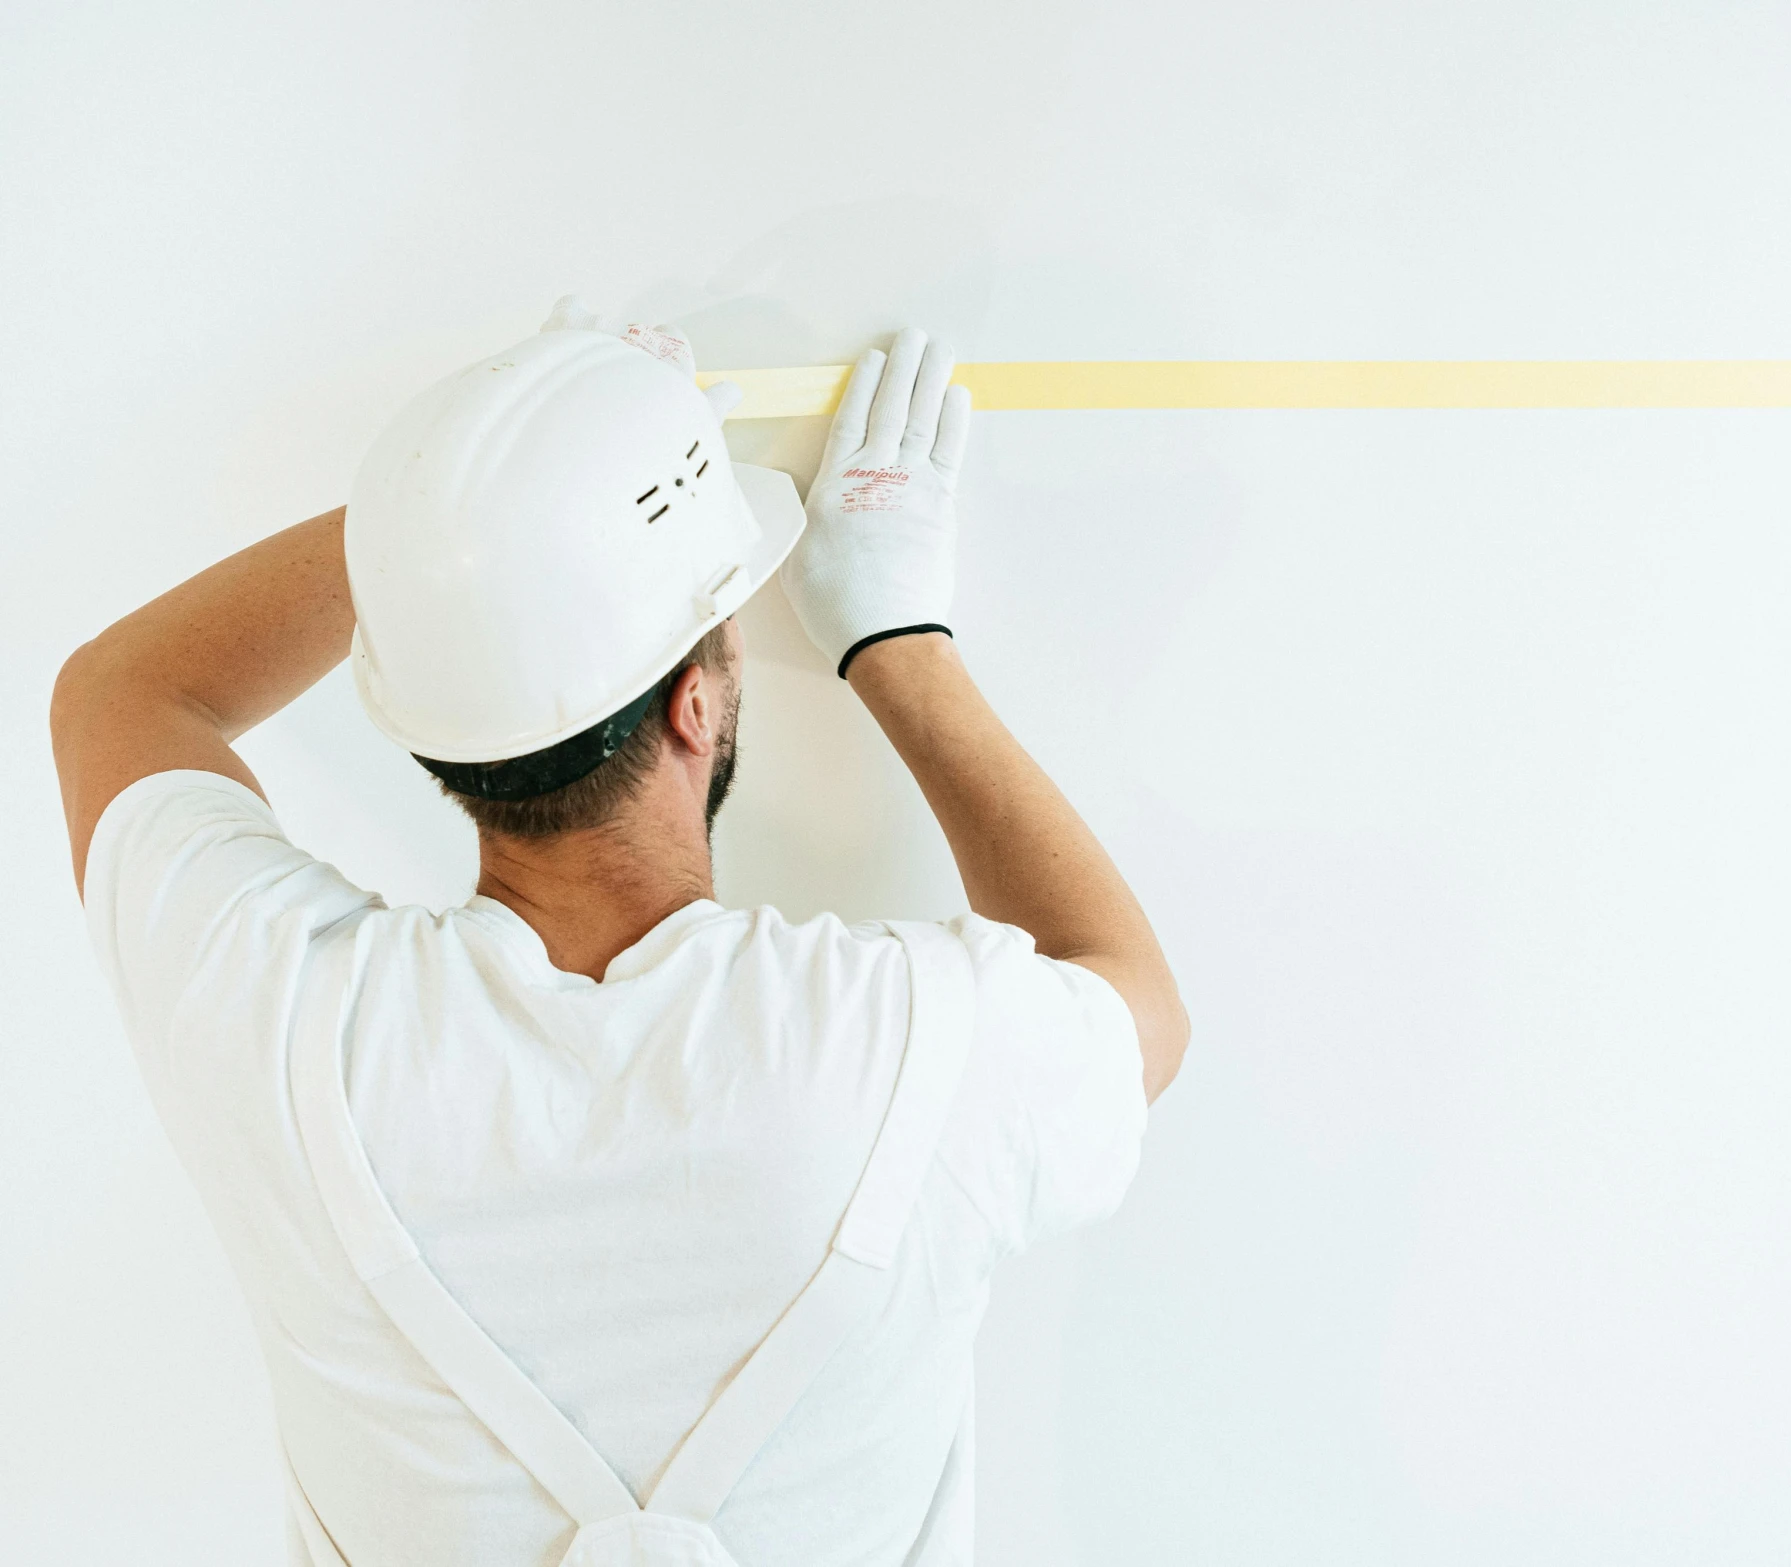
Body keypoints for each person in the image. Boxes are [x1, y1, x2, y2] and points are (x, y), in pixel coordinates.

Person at [48, 308, 1187, 1566]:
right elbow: (1134, 998)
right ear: (698, 704)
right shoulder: (911, 1043)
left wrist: (465, 523)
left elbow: (124, 691)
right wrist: (898, 643)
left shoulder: (274, 1030)